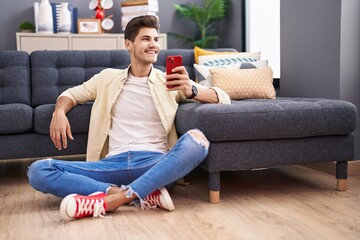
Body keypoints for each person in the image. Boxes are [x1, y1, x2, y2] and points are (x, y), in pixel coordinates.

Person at [28, 15, 231, 220]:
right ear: (128, 44)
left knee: (197, 142)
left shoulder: (170, 81)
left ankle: (111, 201)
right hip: (110, 165)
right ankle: (135, 194)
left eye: (156, 39)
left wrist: (191, 90)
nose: (153, 45)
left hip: (154, 164)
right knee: (39, 170)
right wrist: (59, 112)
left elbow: (222, 97)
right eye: (145, 39)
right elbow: (70, 95)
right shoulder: (106, 78)